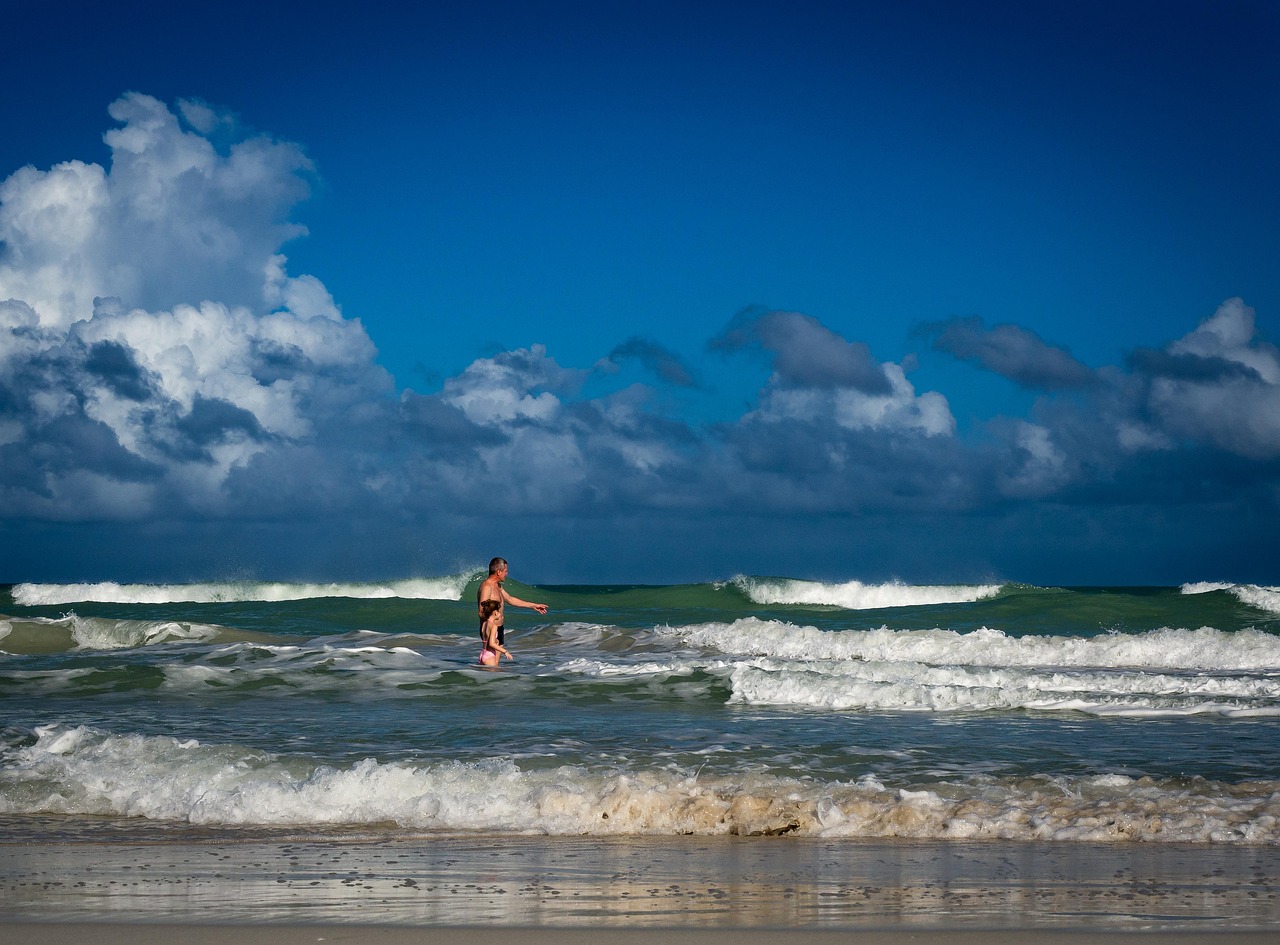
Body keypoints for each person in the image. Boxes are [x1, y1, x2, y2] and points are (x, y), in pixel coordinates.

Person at [477, 557, 548, 663]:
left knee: (495, 666)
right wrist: (490, 624)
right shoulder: (487, 587)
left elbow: (510, 599)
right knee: (491, 665)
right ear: (498, 572)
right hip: (491, 631)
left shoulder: (498, 586)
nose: (507, 573)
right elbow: (481, 612)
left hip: (499, 629)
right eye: (505, 571)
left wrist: (533, 605)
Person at [478, 599, 511, 666]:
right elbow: (491, 644)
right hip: (489, 655)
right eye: (499, 611)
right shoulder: (494, 626)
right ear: (495, 612)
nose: (500, 613)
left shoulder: (484, 623)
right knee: (493, 675)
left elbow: (486, 639)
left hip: (482, 654)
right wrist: (505, 651)